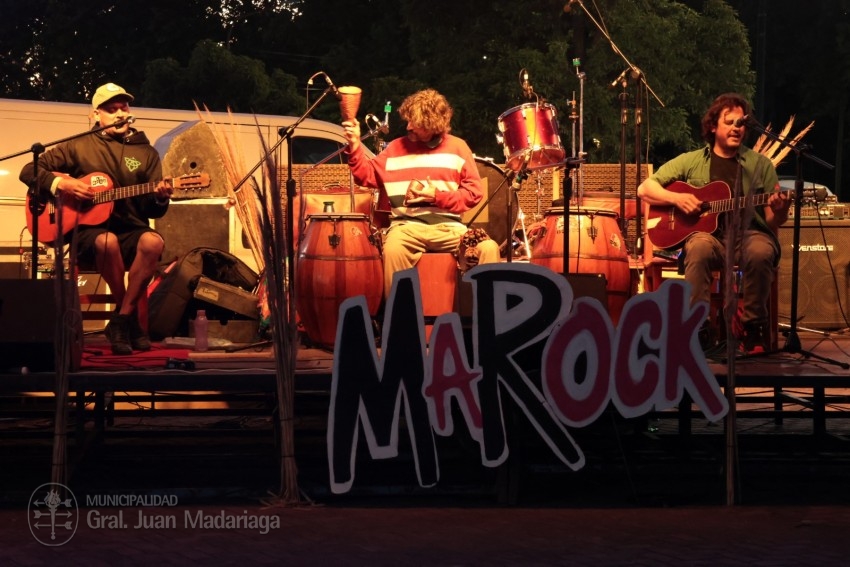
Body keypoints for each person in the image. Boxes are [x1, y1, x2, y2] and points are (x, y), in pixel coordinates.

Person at [20, 82, 173, 355]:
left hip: (131, 230)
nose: (118, 113)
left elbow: (152, 211)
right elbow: (29, 170)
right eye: (111, 109)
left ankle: (120, 319)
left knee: (153, 242)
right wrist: (63, 185)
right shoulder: (78, 146)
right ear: (96, 115)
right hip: (89, 233)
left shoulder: (146, 153)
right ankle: (127, 318)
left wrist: (160, 196)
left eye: (123, 107)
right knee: (106, 241)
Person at [637, 92, 791, 353]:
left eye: (741, 123)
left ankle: (753, 327)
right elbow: (645, 188)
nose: (736, 128)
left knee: (761, 250)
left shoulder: (760, 165)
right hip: (709, 238)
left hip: (749, 235)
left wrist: (780, 210)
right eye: (729, 122)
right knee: (697, 248)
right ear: (712, 126)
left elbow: (771, 221)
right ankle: (700, 328)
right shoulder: (691, 161)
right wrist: (677, 199)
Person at [342, 88, 501, 299]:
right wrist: (354, 145)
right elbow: (366, 175)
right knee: (392, 251)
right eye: (408, 120)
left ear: (432, 126)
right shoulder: (395, 148)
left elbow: (473, 193)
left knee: (488, 248)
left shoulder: (457, 147)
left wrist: (437, 196)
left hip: (450, 229)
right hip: (406, 228)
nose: (408, 126)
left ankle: (488, 322)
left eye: (414, 123)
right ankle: (400, 324)